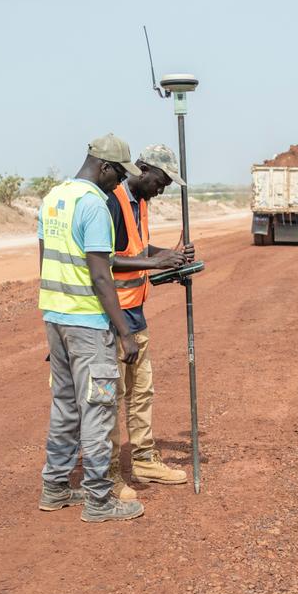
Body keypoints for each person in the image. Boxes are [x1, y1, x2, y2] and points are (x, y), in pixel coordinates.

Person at [37, 133, 146, 523]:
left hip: (56, 320)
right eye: (118, 175)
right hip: (87, 326)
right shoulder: (94, 206)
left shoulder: (52, 199)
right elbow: (102, 275)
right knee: (98, 407)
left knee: (65, 406)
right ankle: (99, 500)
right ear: (104, 167)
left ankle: (55, 488)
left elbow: (44, 261)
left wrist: (55, 324)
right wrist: (124, 332)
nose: (119, 183)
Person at [104, 144, 193, 501]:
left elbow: (136, 250)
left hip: (135, 314)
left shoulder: (140, 203)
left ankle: (143, 459)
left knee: (142, 392)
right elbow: (104, 260)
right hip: (112, 318)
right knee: (113, 396)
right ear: (142, 168)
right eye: (161, 180)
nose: (163, 188)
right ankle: (109, 473)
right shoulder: (112, 202)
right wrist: (156, 263)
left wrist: (169, 256)